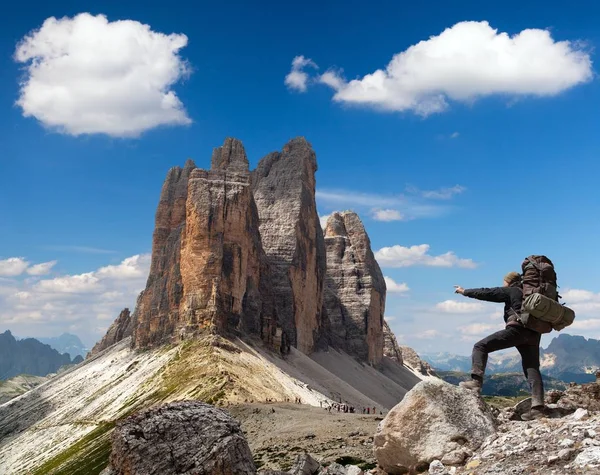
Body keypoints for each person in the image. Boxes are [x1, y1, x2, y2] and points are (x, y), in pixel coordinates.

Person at [454, 271, 546, 421]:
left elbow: (488, 293)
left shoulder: (512, 290)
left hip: (517, 330)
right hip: (534, 334)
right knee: (532, 368)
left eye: (504, 281)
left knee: (480, 346)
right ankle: (538, 409)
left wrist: (465, 292)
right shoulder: (529, 294)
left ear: (508, 281)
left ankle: (476, 382)